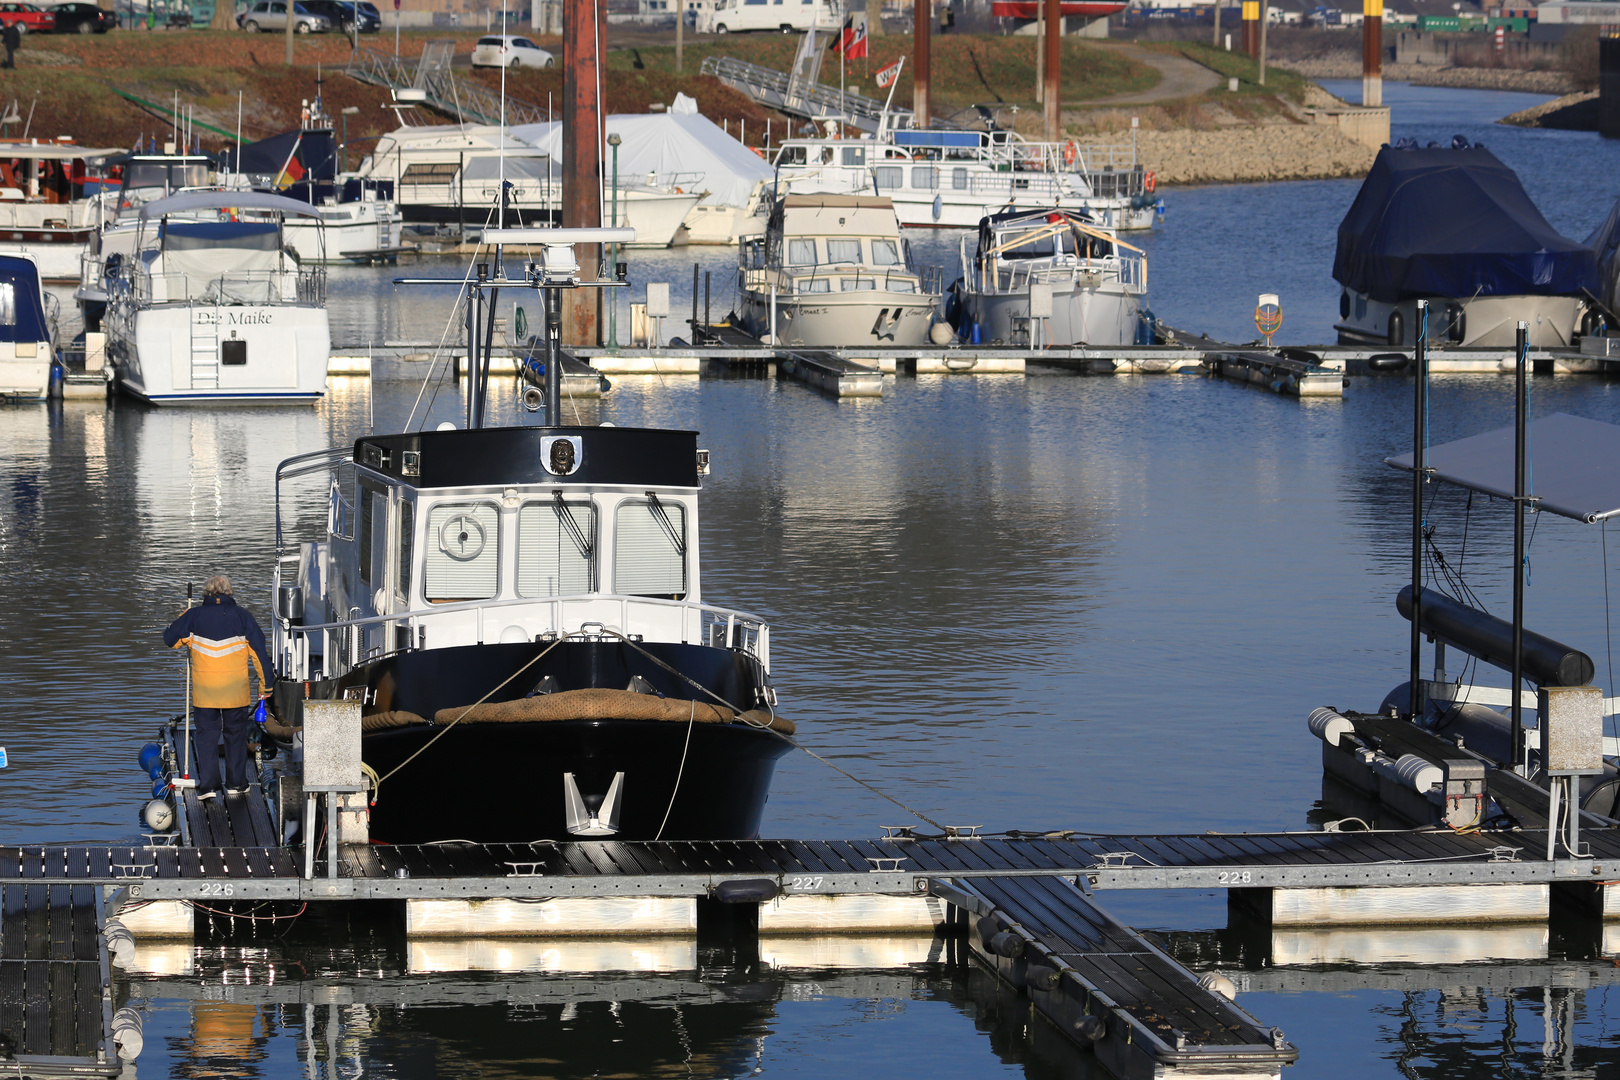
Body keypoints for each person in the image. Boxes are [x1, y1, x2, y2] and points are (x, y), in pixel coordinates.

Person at [163, 575, 273, 801]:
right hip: (236, 693)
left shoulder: (193, 617)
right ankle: (236, 784)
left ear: (206, 593)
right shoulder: (243, 617)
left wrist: (182, 617)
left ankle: (208, 787)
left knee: (207, 738)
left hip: (205, 694)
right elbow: (260, 656)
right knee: (235, 736)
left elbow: (170, 639)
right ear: (229, 592)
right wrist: (266, 686)